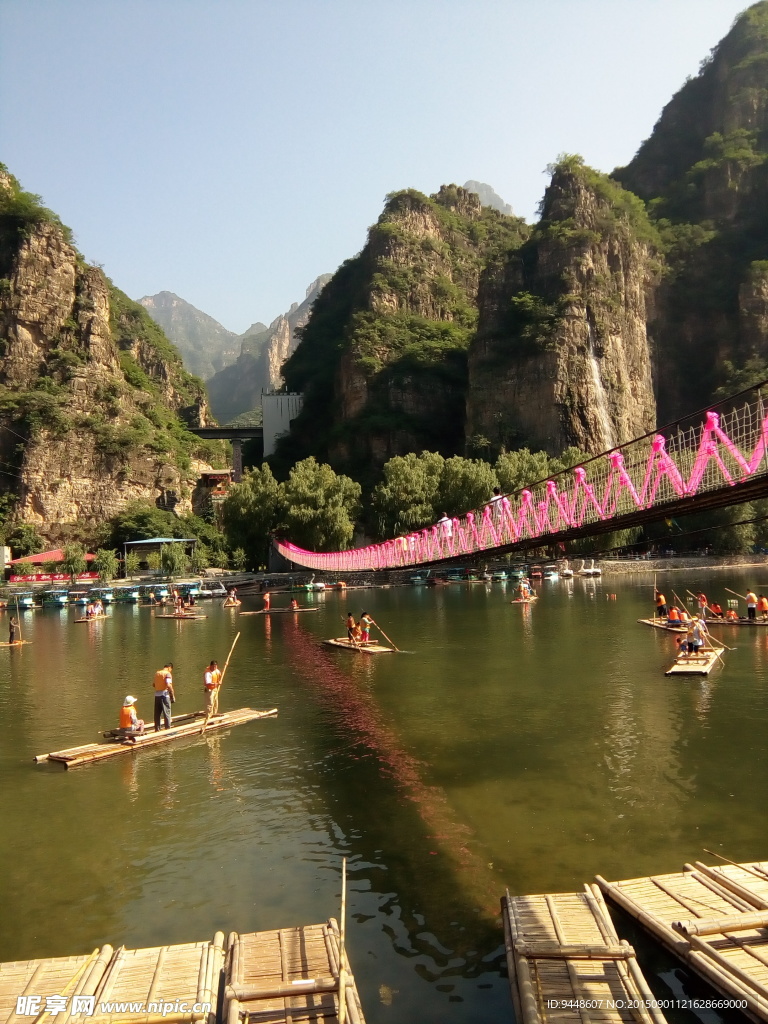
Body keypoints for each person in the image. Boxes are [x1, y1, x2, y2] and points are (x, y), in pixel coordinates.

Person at [153, 662, 175, 731]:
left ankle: (157, 729)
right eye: (171, 670)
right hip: (164, 695)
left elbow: (154, 684)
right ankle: (167, 729)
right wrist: (172, 694)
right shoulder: (167, 674)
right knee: (167, 713)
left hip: (157, 696)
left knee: (157, 714)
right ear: (169, 668)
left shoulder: (157, 673)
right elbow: (168, 685)